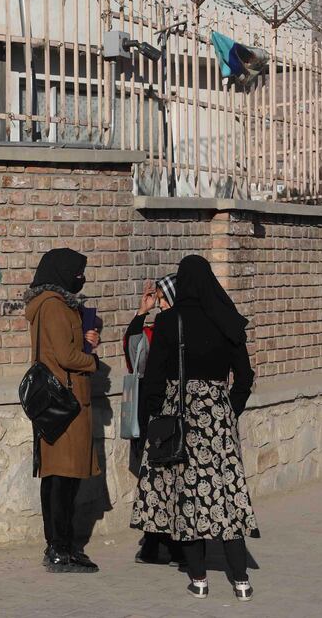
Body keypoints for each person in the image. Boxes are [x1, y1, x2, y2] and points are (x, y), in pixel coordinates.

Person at [130, 255, 258, 601]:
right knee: (226, 493)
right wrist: (228, 409)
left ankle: (199, 579)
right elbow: (244, 377)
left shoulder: (170, 321)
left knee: (186, 495)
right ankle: (242, 581)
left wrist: (154, 418)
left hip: (180, 415)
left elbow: (154, 377)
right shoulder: (227, 319)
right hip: (217, 419)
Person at [23, 248, 101, 573]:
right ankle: (59, 549)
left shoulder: (52, 305)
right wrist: (91, 359)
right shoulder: (54, 307)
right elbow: (67, 357)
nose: (80, 278)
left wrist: (87, 339)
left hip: (61, 402)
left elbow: (63, 348)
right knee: (62, 480)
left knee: (59, 478)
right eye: (77, 272)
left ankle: (61, 547)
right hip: (65, 404)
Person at [122, 274, 184, 567]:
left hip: (173, 415)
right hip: (155, 414)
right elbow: (135, 356)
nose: (158, 303)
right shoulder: (157, 328)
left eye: (161, 298)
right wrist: (141, 314)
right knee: (156, 480)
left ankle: (171, 544)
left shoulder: (180, 329)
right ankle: (155, 542)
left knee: (169, 480)